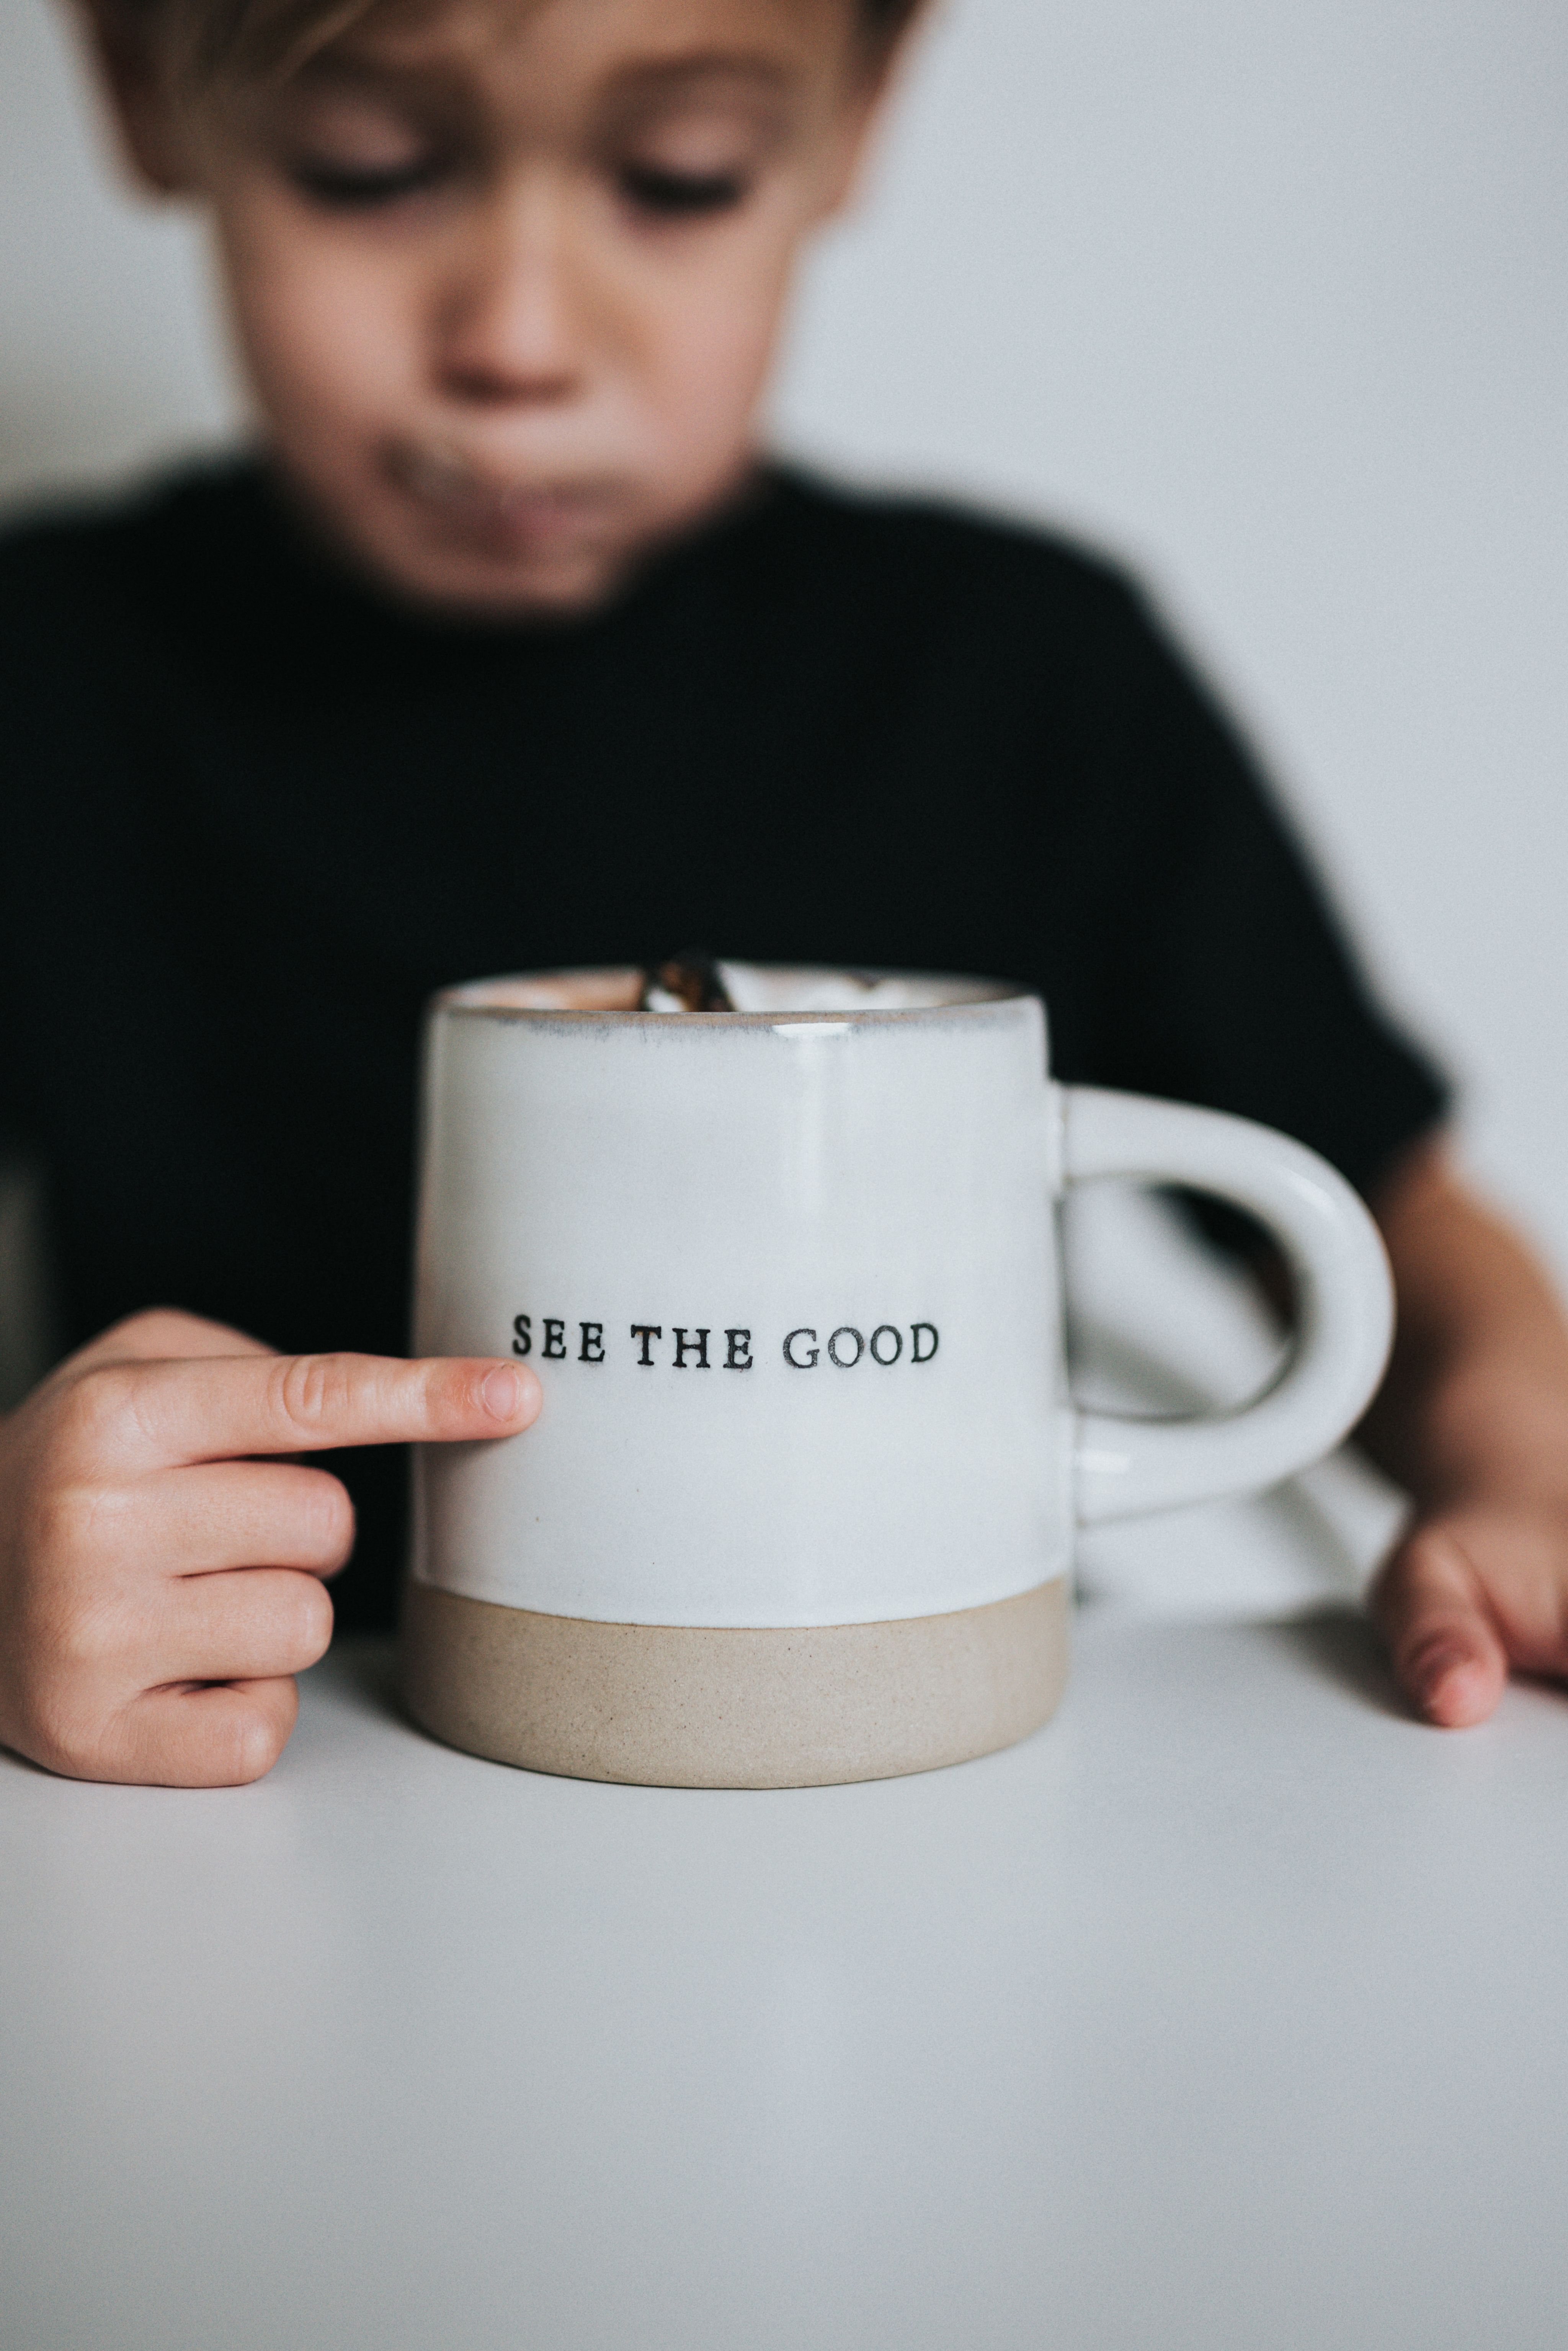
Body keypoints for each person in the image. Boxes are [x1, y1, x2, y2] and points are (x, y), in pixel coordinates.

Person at [2, 0, 1566, 1788]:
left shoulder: (1021, 677)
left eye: (678, 182)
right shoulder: (51, 682)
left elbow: (1389, 1217)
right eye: (369, 170)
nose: (517, 338)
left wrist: (1522, 1472)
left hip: (947, 1774)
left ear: (857, 117)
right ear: (135, 84)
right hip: (287, 1797)